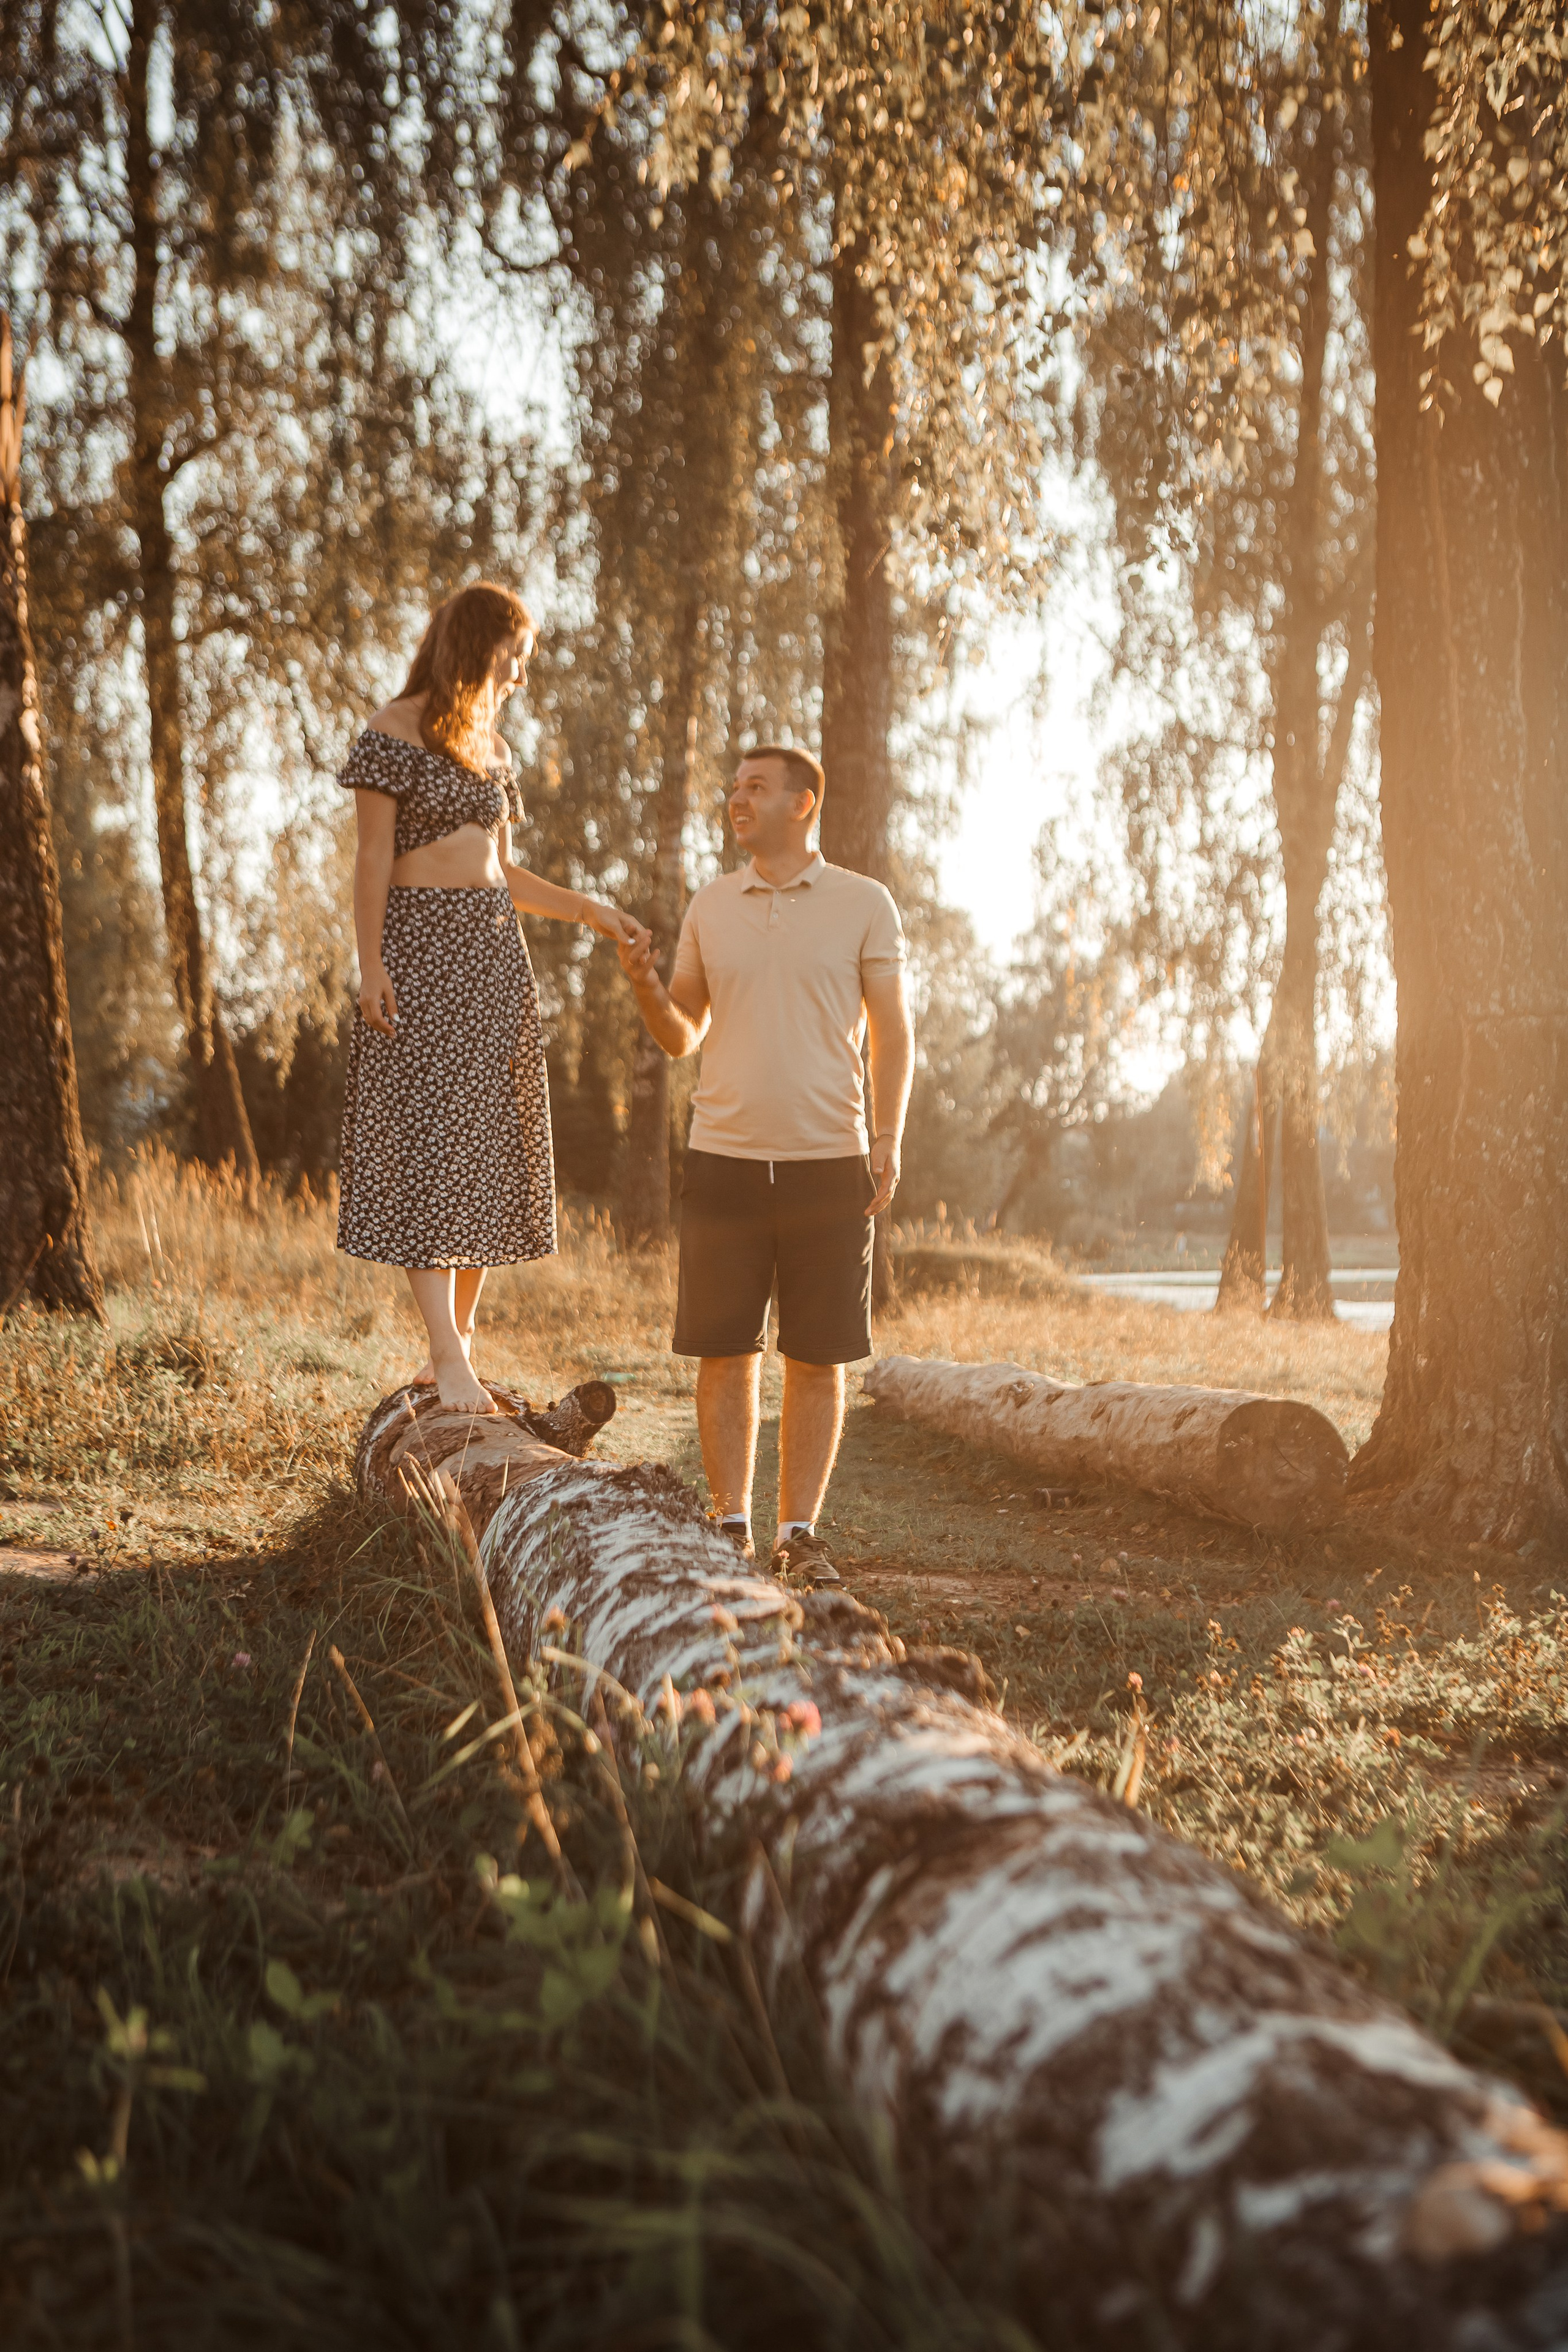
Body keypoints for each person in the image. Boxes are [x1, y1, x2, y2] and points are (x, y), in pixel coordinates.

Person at [337, 581, 647, 1412]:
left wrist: (589, 909)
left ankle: (457, 1348)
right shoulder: (387, 732)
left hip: (491, 954)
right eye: (514, 659)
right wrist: (369, 965)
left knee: (487, 1150)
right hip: (417, 947)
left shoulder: (494, 748)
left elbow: (503, 874)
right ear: (478, 645)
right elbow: (372, 862)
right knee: (430, 1146)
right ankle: (445, 1353)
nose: (519, 677)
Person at [618, 745, 914, 1585]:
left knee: (818, 1357)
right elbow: (682, 1033)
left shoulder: (865, 904)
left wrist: (887, 1138)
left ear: (804, 802)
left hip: (831, 1160)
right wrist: (645, 983)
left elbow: (894, 1034)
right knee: (726, 1350)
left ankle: (798, 1535)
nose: (734, 798)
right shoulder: (712, 905)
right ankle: (728, 1528)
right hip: (725, 1159)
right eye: (733, 787)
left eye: (755, 787)